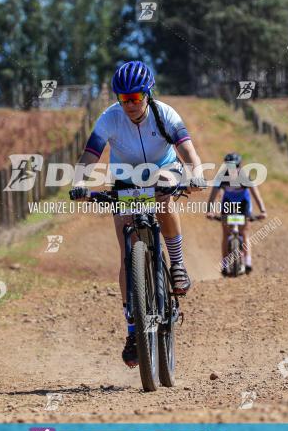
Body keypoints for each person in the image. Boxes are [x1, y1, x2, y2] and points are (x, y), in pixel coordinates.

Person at [69, 61, 206, 368]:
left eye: (135, 98)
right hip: (125, 179)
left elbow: (187, 150)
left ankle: (178, 264)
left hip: (163, 170)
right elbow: (91, 153)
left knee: (165, 190)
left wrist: (195, 173)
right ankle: (133, 329)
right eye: (122, 98)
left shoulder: (166, 114)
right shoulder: (110, 118)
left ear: (147, 94)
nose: (129, 105)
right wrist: (79, 181)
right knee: (126, 252)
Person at [205, 152, 267, 275]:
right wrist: (209, 210)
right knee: (225, 232)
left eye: (236, 166)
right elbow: (213, 195)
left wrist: (262, 210)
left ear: (240, 166)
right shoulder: (221, 176)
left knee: (244, 232)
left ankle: (248, 261)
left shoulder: (245, 177)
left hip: (244, 203)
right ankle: (224, 264)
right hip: (228, 203)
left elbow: (256, 194)